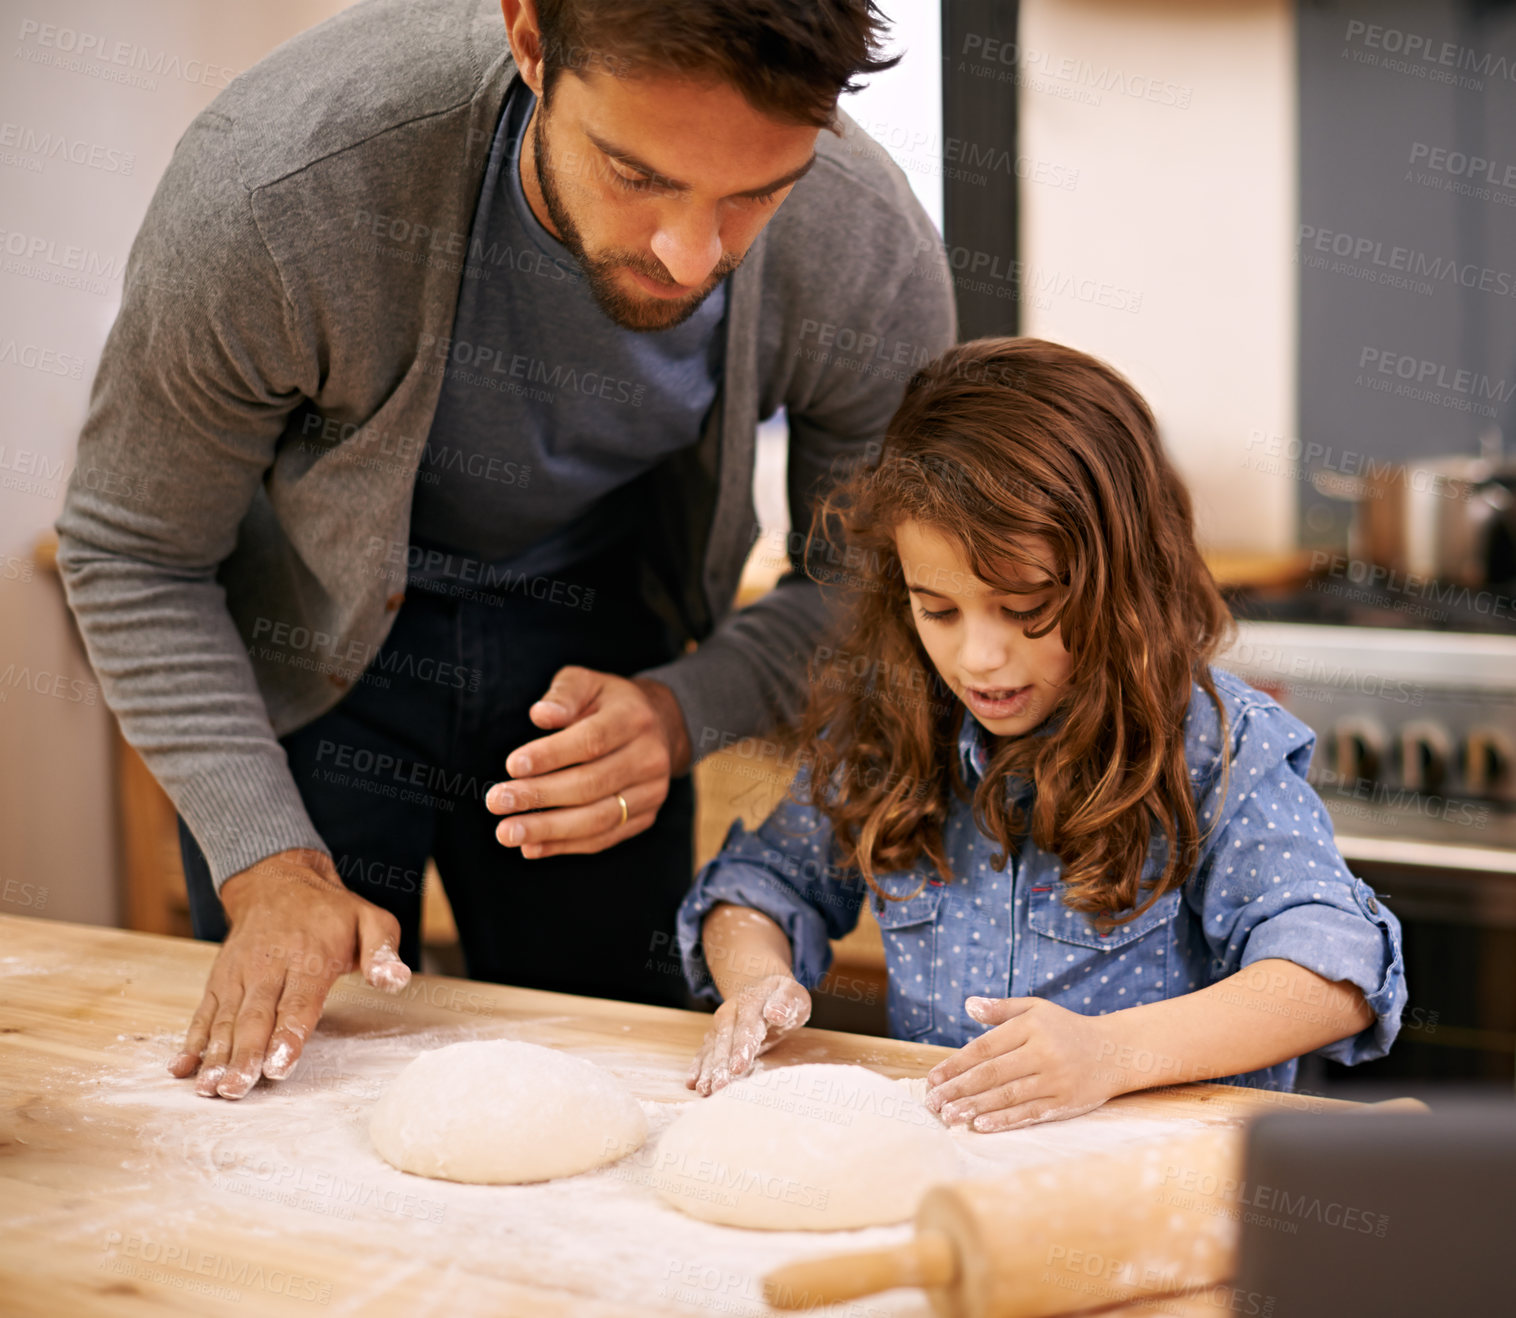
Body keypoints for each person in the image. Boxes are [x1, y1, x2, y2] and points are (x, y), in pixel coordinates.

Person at [53, 0, 954, 1099]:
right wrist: (266, 863)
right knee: (294, 1084)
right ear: (531, 40)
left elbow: (872, 588)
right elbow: (132, 550)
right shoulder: (281, 194)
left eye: (755, 195)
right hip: (302, 641)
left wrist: (687, 708)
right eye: (636, 175)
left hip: (604, 648)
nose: (688, 255)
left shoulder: (865, 240)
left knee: (623, 1081)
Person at [679, 337, 1407, 1128]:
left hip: (1162, 1197)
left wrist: (1110, 1053)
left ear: (1121, 581)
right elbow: (759, 886)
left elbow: (1332, 973)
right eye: (939, 610)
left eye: (1026, 610)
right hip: (960, 1183)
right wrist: (755, 978)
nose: (980, 658)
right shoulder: (891, 729)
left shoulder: (1213, 749)